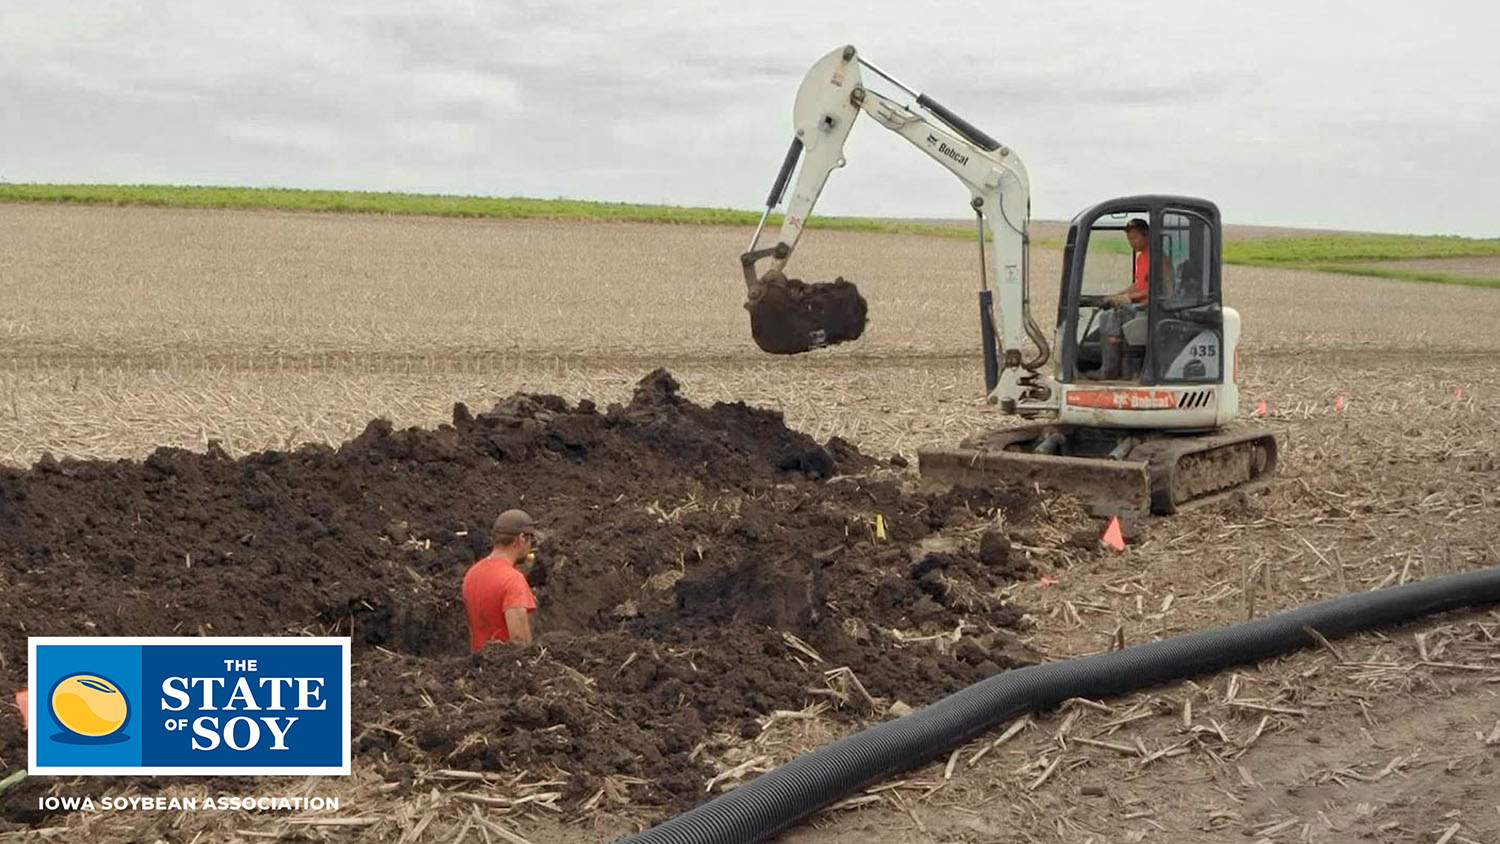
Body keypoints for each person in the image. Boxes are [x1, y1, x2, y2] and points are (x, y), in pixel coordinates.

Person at [462, 509, 539, 650]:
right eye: (530, 540)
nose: (530, 546)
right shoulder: (513, 580)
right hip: (506, 669)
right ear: (521, 538)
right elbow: (519, 641)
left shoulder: (472, 574)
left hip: (477, 665)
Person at [1094, 218, 1151, 380]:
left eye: (1134, 238)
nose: (1131, 243)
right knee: (1108, 313)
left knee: (1112, 316)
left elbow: (1154, 290)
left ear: (1146, 236)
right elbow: (1138, 284)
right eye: (1129, 239)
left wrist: (1127, 298)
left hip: (1149, 309)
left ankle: (1110, 370)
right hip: (1139, 305)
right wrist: (1117, 295)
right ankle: (1111, 366)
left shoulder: (1157, 258)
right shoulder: (1141, 258)